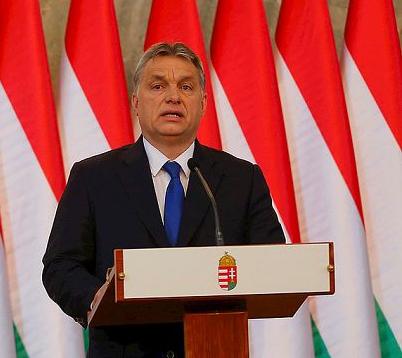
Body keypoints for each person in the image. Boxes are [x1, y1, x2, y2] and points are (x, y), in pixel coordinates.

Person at [42, 42, 285, 358]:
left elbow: (273, 264)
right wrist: (97, 297)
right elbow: (60, 265)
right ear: (136, 102)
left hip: (215, 346)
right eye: (158, 85)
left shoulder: (240, 178)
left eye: (186, 86)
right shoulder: (94, 177)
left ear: (202, 103)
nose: (174, 96)